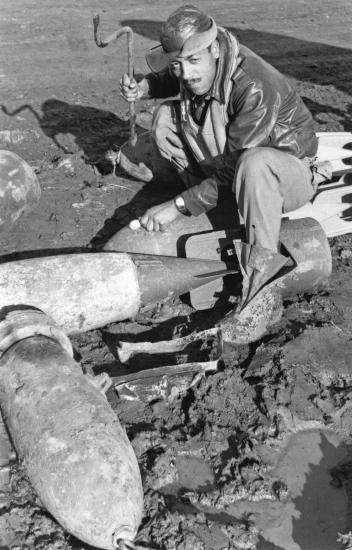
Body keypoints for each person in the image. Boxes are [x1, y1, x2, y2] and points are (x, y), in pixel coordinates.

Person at [120, 4, 319, 337]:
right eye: (178, 64)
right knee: (168, 117)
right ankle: (213, 203)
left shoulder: (254, 85)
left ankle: (262, 293)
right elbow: (174, 75)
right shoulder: (201, 63)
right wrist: (144, 89)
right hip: (234, 168)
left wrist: (177, 206)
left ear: (214, 49)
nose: (186, 74)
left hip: (287, 171)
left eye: (194, 61)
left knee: (254, 163)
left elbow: (237, 166)